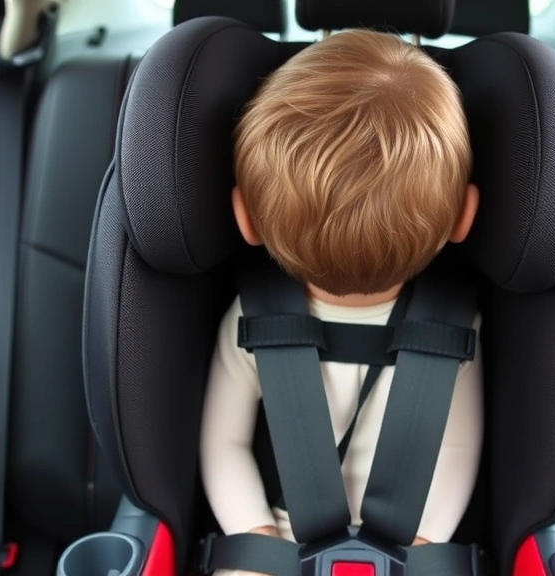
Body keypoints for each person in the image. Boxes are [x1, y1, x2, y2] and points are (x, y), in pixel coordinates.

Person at [199, 28, 483, 576]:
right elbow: (456, 450)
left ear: (246, 220)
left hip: (292, 541)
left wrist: (252, 538)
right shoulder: (457, 327)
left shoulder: (250, 321)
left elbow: (223, 443)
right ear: (463, 217)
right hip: (361, 544)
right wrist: (425, 542)